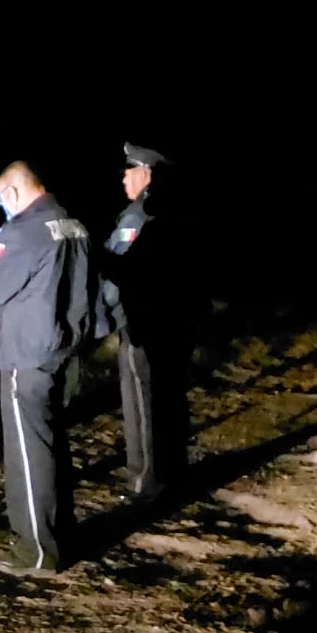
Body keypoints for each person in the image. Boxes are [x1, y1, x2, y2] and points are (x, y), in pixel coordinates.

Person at [0, 161, 94, 578]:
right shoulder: (73, 226)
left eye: (1, 199)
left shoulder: (23, 232)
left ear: (12, 193)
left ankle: (34, 551)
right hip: (62, 349)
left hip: (25, 354)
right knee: (51, 445)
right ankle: (58, 535)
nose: (1, 208)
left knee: (28, 454)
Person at [96, 142, 191, 502]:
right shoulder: (175, 210)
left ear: (146, 174)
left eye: (128, 169)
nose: (123, 176)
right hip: (173, 319)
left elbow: (121, 266)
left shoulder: (140, 216)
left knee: (143, 399)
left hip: (144, 321)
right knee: (170, 396)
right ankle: (175, 470)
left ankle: (146, 477)